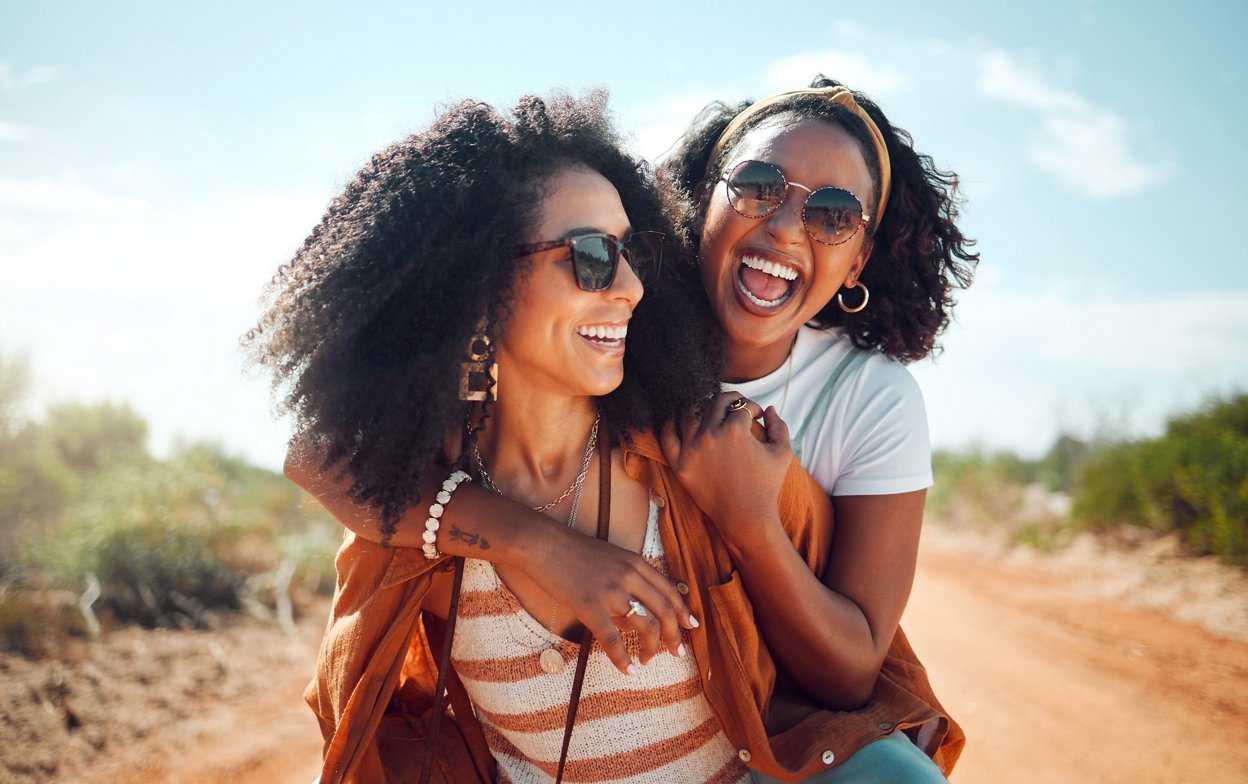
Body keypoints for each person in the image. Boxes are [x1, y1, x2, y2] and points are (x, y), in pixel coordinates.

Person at [280, 79, 971, 782]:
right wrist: (538, 545)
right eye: (760, 184)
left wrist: (749, 518)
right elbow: (322, 452)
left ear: (858, 260)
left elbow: (852, 672)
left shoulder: (745, 436)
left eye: (832, 214)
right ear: (697, 204)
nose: (788, 225)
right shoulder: (452, 455)